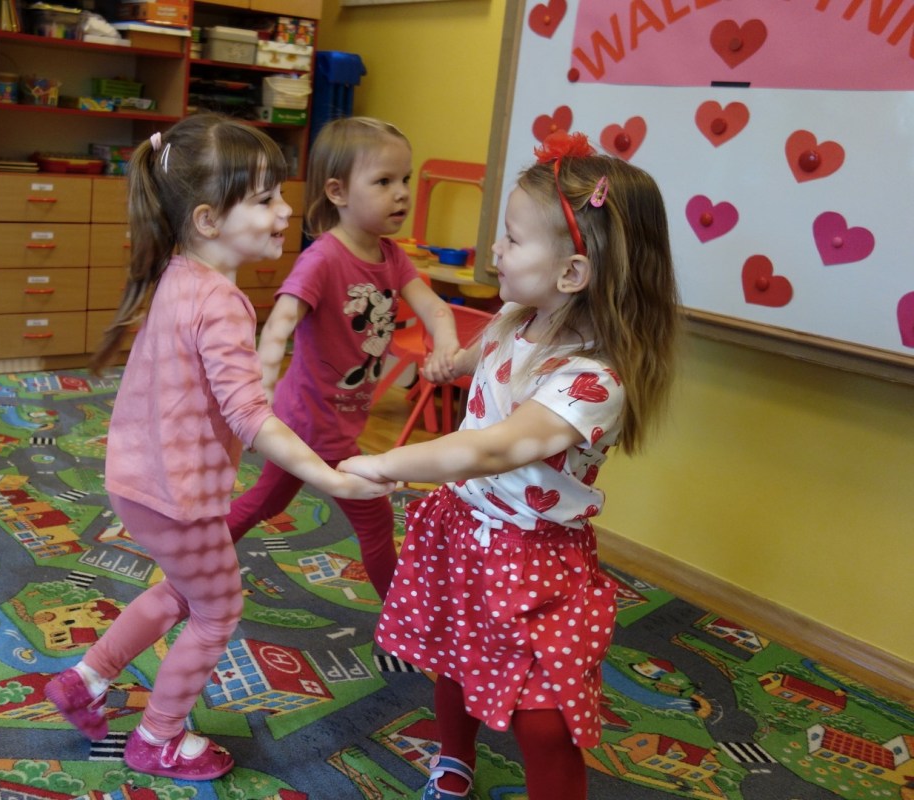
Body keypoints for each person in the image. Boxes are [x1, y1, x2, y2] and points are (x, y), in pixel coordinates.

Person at [44, 114, 394, 781]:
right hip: (179, 495)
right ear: (207, 220)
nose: (284, 211)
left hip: (141, 480)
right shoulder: (223, 303)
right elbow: (250, 415)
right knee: (219, 610)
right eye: (264, 199)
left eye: (279, 195)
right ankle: (158, 736)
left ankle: (85, 680)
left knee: (185, 592)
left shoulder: (181, 274)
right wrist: (331, 477)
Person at [340, 131, 680, 800]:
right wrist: (452, 361)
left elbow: (495, 447)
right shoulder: (519, 317)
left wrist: (386, 463)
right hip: (462, 531)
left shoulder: (592, 382)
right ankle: (454, 761)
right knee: (453, 658)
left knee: (545, 720)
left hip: (532, 556)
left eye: (513, 239)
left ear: (572, 273)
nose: (495, 249)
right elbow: (483, 355)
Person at [226, 117, 459, 599]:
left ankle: (194, 554)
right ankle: (401, 617)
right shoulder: (324, 259)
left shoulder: (392, 257)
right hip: (310, 424)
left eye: (405, 179)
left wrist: (446, 345)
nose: (401, 193)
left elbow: (435, 308)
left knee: (265, 503)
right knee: (371, 520)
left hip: (334, 420)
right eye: (383, 181)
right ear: (338, 191)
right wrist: (257, 396)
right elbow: (280, 322)